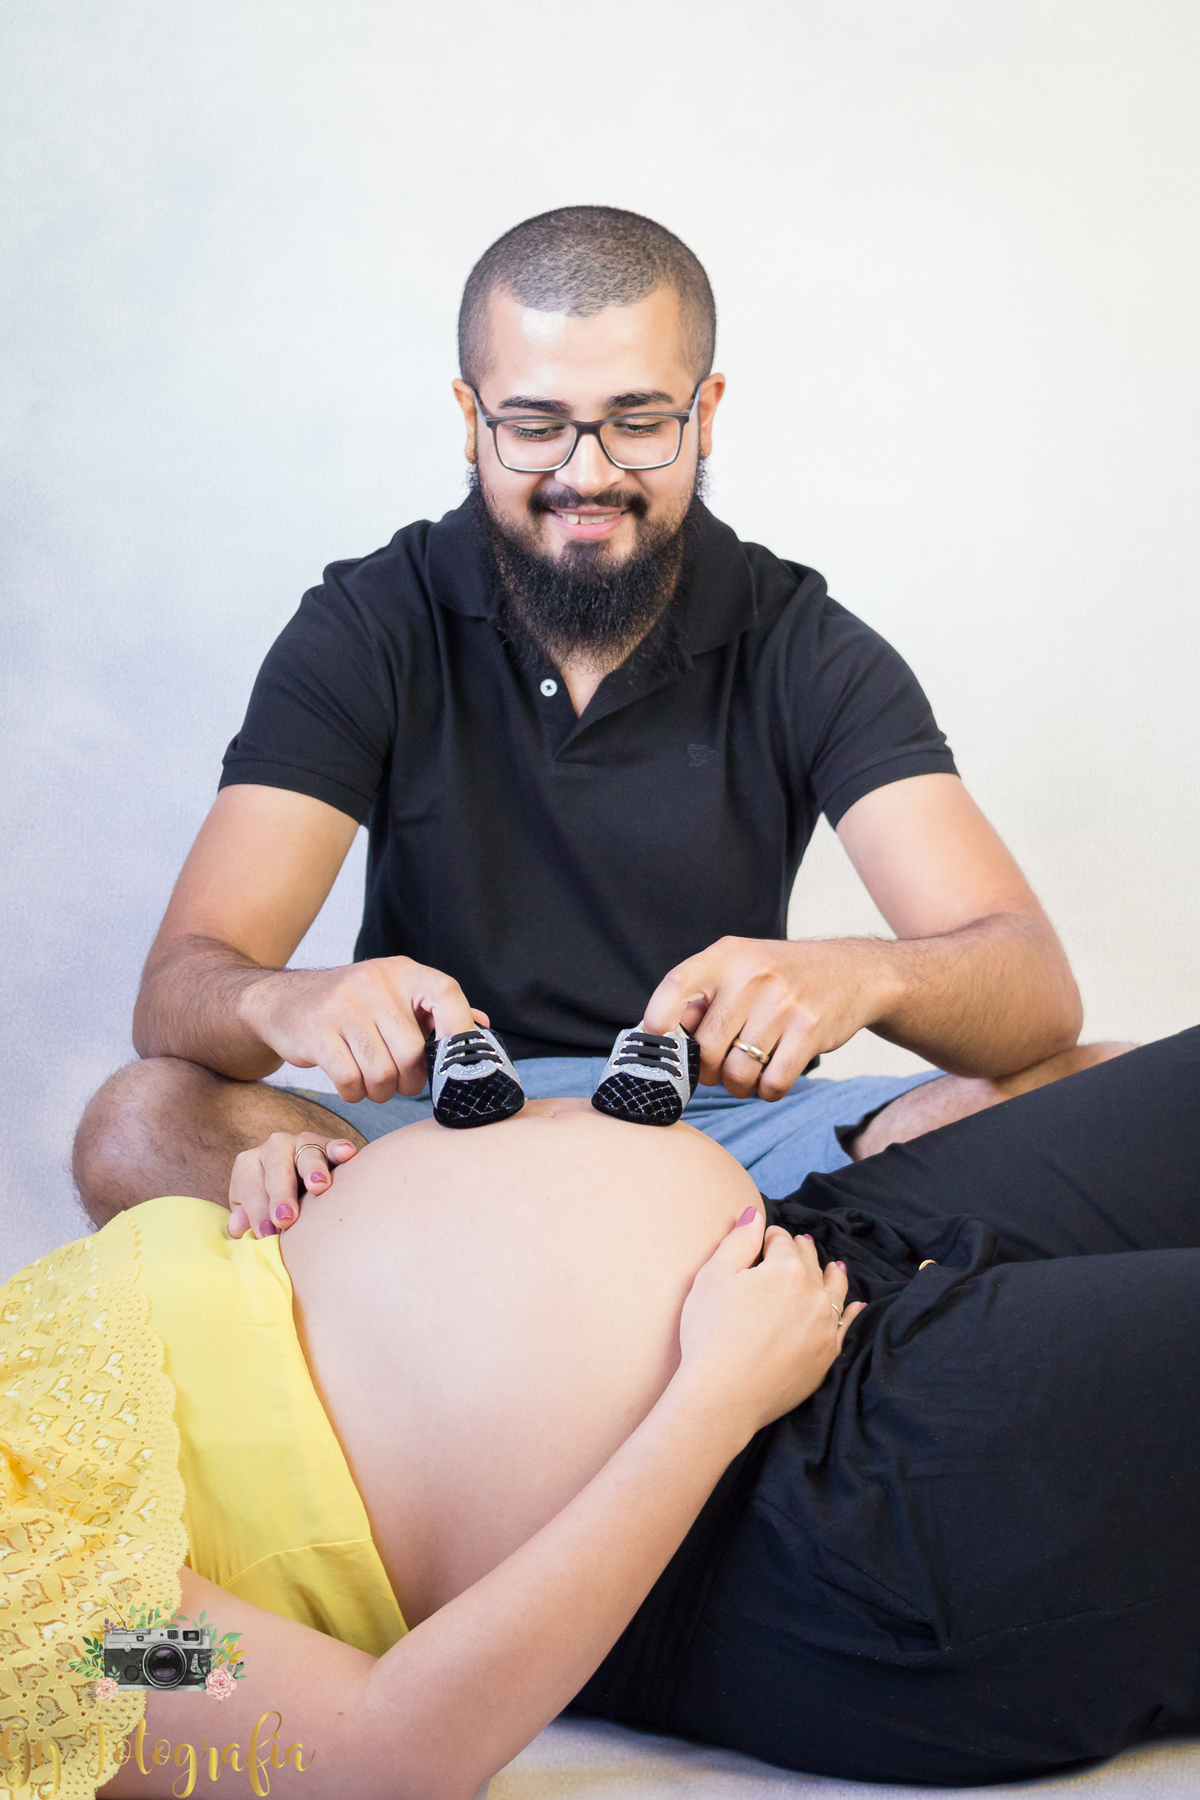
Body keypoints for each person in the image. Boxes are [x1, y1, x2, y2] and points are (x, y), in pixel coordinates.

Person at [72, 205, 1113, 1233]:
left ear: (705, 413)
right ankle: (687, 1277)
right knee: (138, 1122)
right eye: (533, 427)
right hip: (415, 1133)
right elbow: (180, 987)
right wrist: (281, 1004)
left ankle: (490, 1266)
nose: (587, 473)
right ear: (469, 414)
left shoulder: (805, 642)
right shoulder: (368, 625)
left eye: (637, 420)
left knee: (1110, 1095)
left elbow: (1032, 989)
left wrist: (868, 971)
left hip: (729, 1135)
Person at [8, 1025, 1200, 1798]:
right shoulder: (55, 1642)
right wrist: (716, 1402)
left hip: (805, 1246)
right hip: (789, 1509)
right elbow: (375, 1749)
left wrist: (269, 1202)